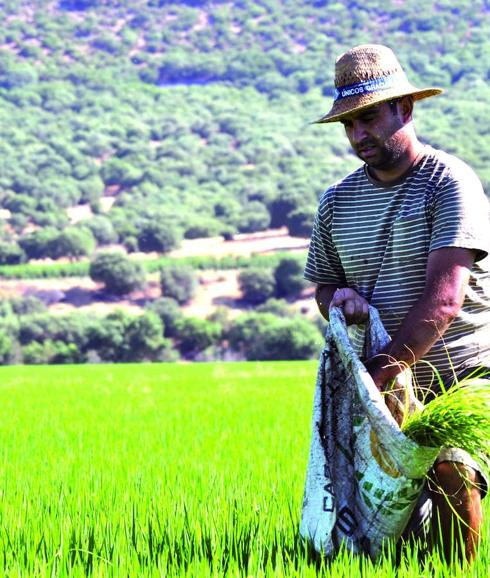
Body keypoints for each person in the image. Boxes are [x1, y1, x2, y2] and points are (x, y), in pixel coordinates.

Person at [304, 43, 490, 562]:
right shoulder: (337, 201)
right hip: (381, 377)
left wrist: (376, 375)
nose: (358, 134)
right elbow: (323, 285)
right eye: (349, 125)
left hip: (460, 371)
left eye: (368, 119)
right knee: (387, 509)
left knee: (454, 467)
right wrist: (337, 299)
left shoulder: (448, 183)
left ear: (404, 109)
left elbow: (445, 299)